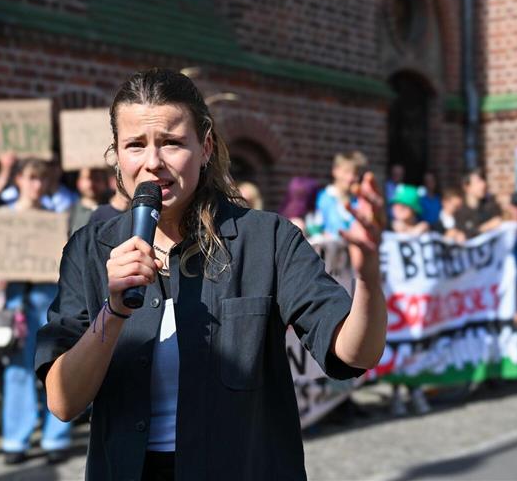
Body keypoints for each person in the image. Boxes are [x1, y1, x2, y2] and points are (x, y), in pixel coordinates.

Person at [36, 68, 387, 480]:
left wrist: (368, 277)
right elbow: (62, 402)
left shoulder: (267, 239)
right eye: (135, 145)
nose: (153, 162)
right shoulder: (89, 249)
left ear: (204, 148)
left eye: (171, 142)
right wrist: (113, 312)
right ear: (116, 155)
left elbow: (355, 354)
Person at [2, 159, 72, 465]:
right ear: (18, 180)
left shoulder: (55, 219)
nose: (37, 185)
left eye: (42, 179)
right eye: (31, 178)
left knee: (53, 365)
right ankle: (15, 439)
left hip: (48, 297)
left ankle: (56, 436)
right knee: (17, 368)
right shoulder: (4, 217)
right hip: (16, 300)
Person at [387, 184, 431, 416]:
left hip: (417, 300)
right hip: (394, 298)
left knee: (416, 344)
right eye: (396, 205)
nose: (398, 209)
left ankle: (416, 390)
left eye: (404, 206)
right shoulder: (386, 229)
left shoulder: (425, 230)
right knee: (397, 346)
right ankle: (396, 394)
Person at [316, 151, 368, 238]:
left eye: (355, 173)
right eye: (346, 172)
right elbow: (317, 227)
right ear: (335, 171)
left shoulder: (359, 202)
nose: (350, 178)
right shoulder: (324, 198)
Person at [454, 168, 503, 238]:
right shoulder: (460, 213)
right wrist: (485, 227)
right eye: (478, 182)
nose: (483, 184)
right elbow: (462, 235)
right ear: (467, 187)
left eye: (483, 180)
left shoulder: (489, 205)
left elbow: (501, 221)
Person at [68, 167, 110, 235]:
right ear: (79, 181)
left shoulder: (112, 210)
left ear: (106, 182)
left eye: (97, 179)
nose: (91, 183)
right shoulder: (70, 211)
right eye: (87, 178)